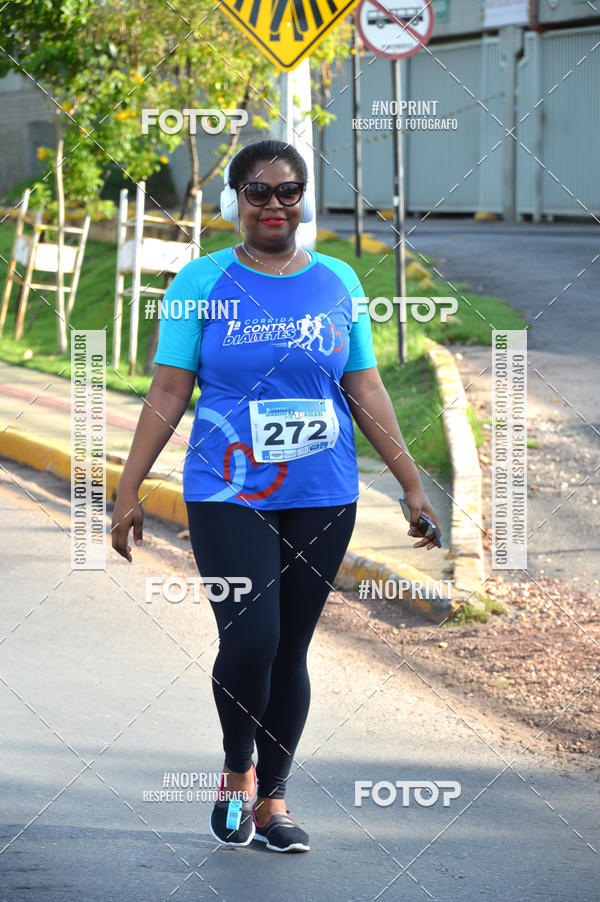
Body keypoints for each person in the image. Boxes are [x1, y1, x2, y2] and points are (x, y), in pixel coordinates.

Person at [111, 139, 441, 853]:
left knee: (290, 649)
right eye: (257, 192)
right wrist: (129, 487)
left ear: (303, 199)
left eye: (288, 192)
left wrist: (411, 485)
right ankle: (239, 769)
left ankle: (274, 802)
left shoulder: (338, 282)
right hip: (228, 488)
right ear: (234, 201)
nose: (273, 205)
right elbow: (170, 389)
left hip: (323, 489)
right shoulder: (200, 281)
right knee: (252, 637)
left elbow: (365, 387)